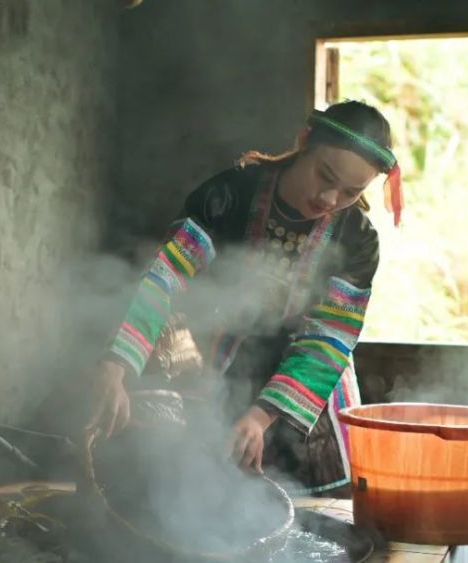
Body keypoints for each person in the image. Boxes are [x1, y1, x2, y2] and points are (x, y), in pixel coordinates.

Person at [87, 100, 402, 497]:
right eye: (325, 175)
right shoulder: (229, 195)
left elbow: (328, 339)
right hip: (217, 363)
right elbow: (164, 279)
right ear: (304, 141)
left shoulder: (357, 239)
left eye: (351, 191)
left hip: (305, 383)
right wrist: (116, 366)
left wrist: (261, 416)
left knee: (307, 515)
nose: (329, 198)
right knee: (200, 492)